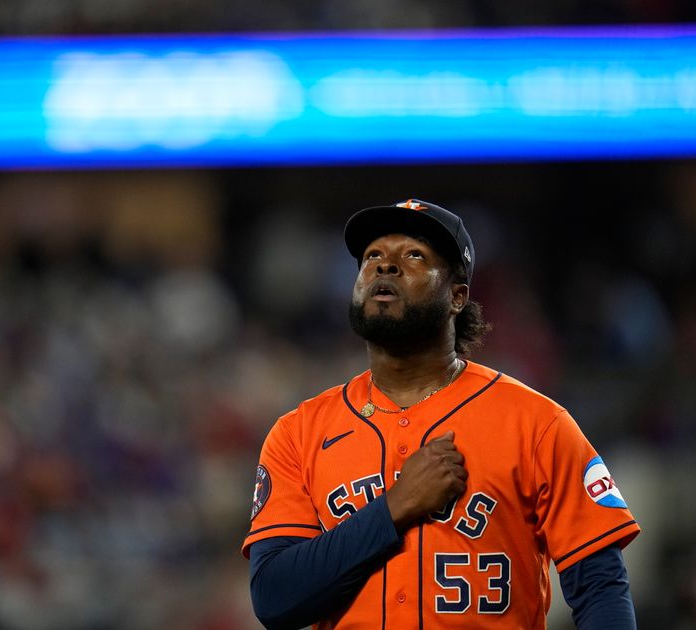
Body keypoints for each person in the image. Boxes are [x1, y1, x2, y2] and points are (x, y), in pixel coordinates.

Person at [243, 199, 640, 629]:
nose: (385, 266)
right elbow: (273, 598)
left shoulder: (535, 423)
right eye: (372, 256)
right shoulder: (298, 433)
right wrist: (394, 508)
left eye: (413, 256)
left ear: (457, 297)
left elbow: (600, 587)